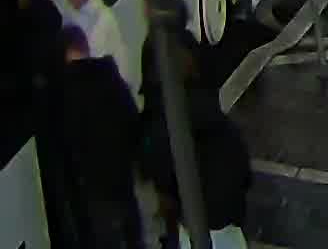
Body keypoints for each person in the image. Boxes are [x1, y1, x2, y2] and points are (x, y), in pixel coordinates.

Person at [138, 70, 255, 249]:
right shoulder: (219, 123)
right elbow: (245, 174)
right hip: (226, 222)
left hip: (194, 224)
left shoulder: (159, 128)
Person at [55, 27, 142, 249]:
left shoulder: (66, 94)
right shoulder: (108, 75)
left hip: (94, 190)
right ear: (85, 46)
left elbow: (67, 148)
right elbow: (132, 121)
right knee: (133, 234)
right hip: (122, 177)